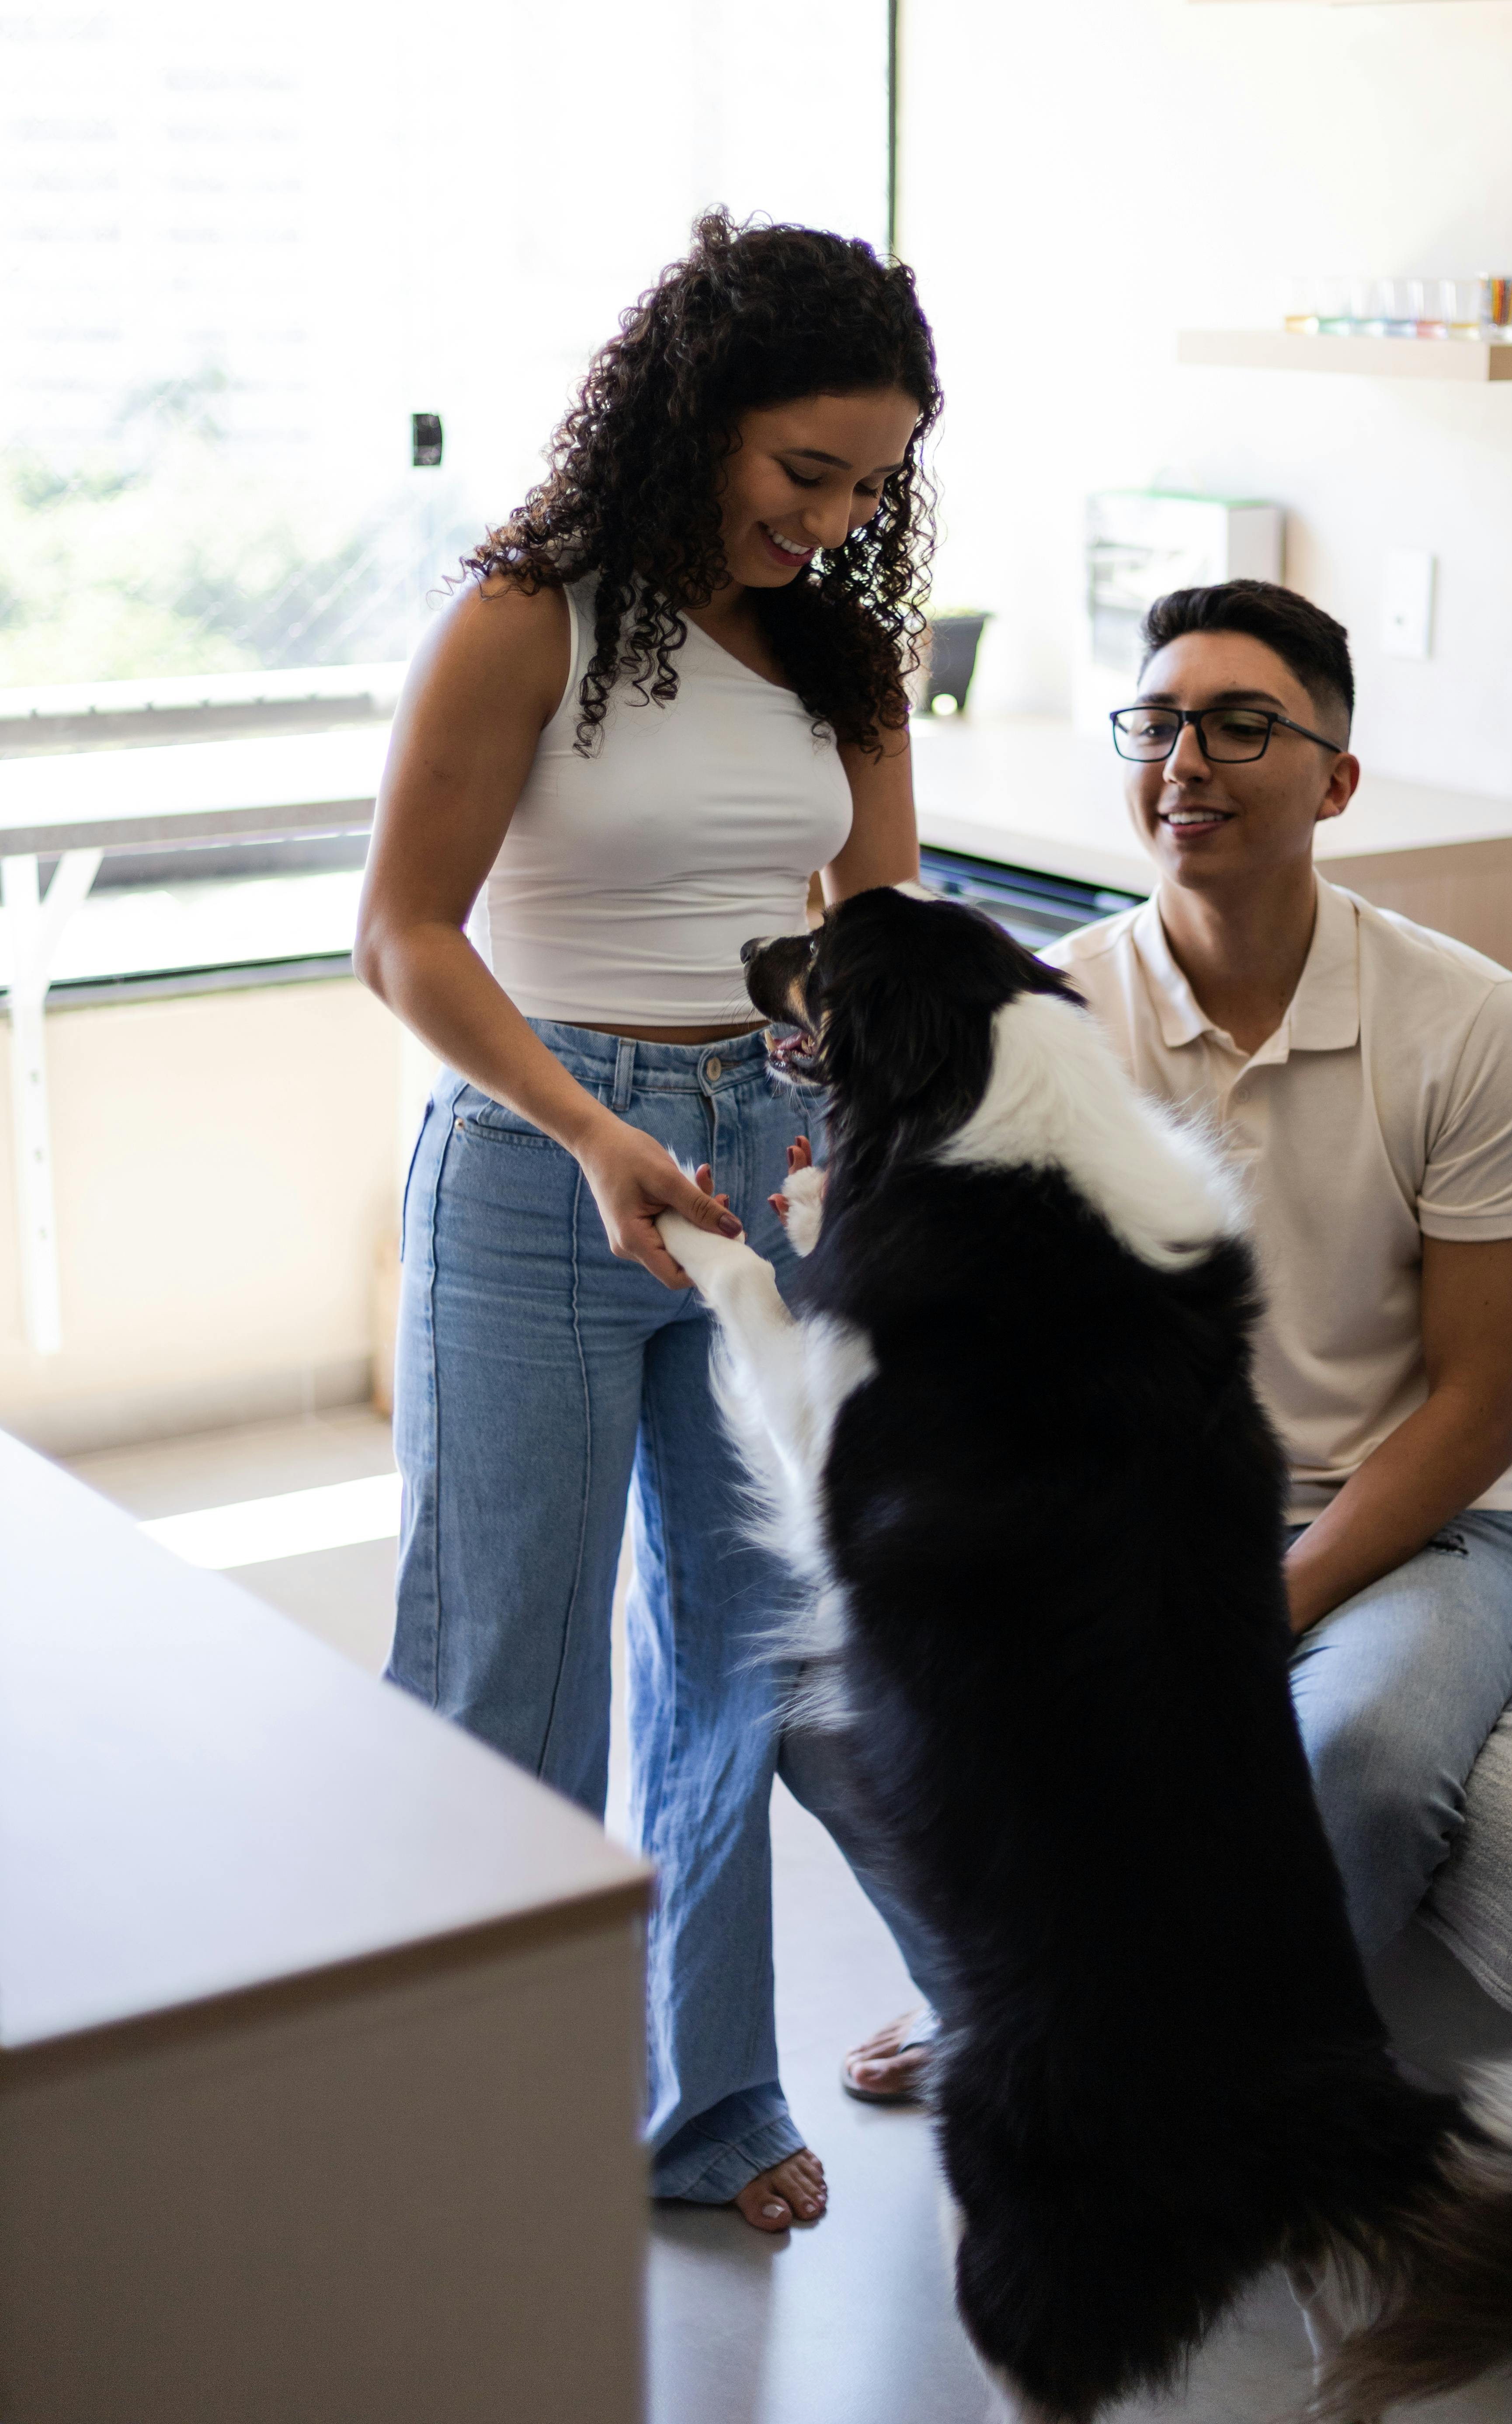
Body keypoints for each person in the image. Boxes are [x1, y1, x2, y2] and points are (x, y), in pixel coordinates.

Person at [355, 209, 938, 2229]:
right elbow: (403, 937)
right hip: (541, 1168)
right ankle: (456, 2117)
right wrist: (592, 1130)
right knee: (498, 1670)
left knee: (745, 1651)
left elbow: (872, 925)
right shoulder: (531, 615)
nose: (837, 515)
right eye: (807, 470)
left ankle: (696, 2113)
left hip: (767, 1175)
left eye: (873, 480)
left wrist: (862, 1136)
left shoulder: (844, 652)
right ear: (697, 416)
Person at [844, 576, 1512, 2104]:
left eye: (1245, 726)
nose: (1189, 761)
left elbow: (1479, 1409)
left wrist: (1253, 1606)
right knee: (838, 1701)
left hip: (1419, 1531)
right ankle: (1030, 2009)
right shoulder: (1046, 1023)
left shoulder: (1472, 1026)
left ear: (1338, 778)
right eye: (1160, 723)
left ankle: (1133, 2080)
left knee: (1350, 1770)